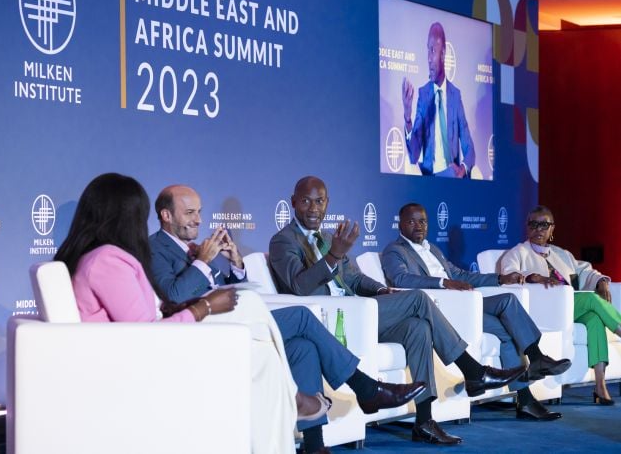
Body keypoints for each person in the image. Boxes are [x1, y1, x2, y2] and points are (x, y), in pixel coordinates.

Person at [54, 173, 330, 454]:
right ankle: (294, 396)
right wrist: (203, 307)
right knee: (252, 306)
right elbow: (145, 335)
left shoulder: (105, 257)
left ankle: (290, 407)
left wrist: (226, 270)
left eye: (199, 212)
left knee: (267, 356)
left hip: (156, 347)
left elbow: (146, 317)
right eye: (140, 215)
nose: (198, 219)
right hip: (143, 363)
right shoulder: (109, 260)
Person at [149, 184, 426, 454]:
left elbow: (224, 289)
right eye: (189, 213)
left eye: (199, 211)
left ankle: (315, 445)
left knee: (303, 348)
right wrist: (203, 262)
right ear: (166, 215)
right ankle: (366, 388)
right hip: (207, 330)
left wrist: (235, 263)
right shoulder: (156, 248)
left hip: (234, 319)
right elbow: (173, 294)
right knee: (302, 317)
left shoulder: (194, 247)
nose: (198, 219)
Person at [269, 176, 526, 445]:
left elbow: (354, 280)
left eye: (319, 201)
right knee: (418, 300)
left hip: (359, 312)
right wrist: (333, 255)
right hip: (330, 319)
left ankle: (424, 421)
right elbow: (299, 286)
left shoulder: (329, 238)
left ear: (327, 204)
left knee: (419, 328)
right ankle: (473, 370)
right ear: (294, 203)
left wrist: (381, 290)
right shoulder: (283, 241)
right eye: (306, 201)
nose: (313, 208)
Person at [381, 202, 571, 421]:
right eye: (411, 221)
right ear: (400, 224)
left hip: (465, 305)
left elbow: (462, 274)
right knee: (506, 325)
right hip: (439, 309)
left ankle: (532, 374)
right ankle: (526, 394)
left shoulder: (432, 249)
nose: (418, 226)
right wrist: (444, 283)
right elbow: (402, 279)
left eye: (423, 221)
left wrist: (499, 278)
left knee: (508, 303)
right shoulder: (394, 251)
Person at [500, 205, 621, 405]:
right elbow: (509, 275)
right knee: (591, 299)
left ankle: (600, 386)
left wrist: (601, 281)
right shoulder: (517, 252)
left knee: (595, 320)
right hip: (544, 308)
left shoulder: (561, 254)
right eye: (533, 224)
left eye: (544, 225)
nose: (538, 229)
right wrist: (534, 277)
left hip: (569, 307)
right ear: (527, 227)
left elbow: (585, 270)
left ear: (552, 229)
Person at [402, 22, 475, 177]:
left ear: (443, 54)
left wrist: (462, 169)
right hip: (431, 178)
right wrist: (407, 119)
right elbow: (414, 155)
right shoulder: (424, 95)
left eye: (433, 51)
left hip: (453, 177)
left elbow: (469, 148)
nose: (428, 58)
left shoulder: (455, 96)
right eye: (427, 51)